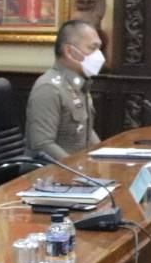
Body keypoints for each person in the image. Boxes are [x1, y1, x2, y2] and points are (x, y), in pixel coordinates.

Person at [27, 20, 104, 160]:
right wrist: (76, 169)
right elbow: (42, 146)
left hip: (78, 167)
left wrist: (104, 156)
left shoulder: (79, 85)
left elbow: (86, 132)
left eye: (99, 48)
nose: (98, 55)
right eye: (92, 48)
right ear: (69, 52)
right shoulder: (49, 88)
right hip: (51, 170)